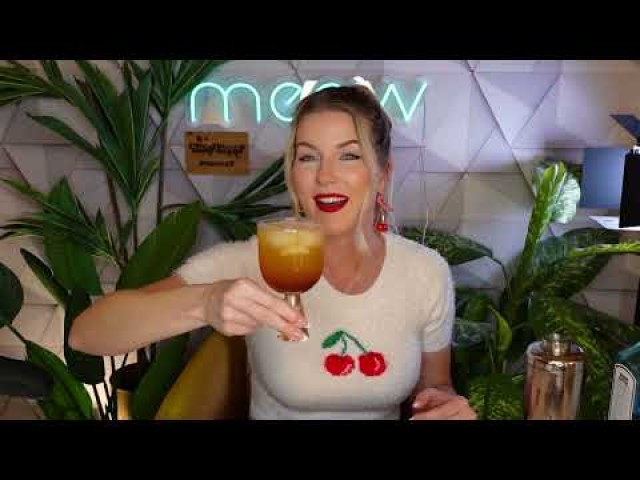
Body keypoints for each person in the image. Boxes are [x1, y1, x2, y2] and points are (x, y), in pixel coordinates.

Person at [69, 85, 477, 421]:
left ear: (383, 174)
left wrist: (443, 404)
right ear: (293, 176)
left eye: (349, 155)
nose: (325, 176)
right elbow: (86, 334)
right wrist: (204, 302)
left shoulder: (425, 272)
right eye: (308, 157)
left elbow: (434, 387)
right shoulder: (249, 261)